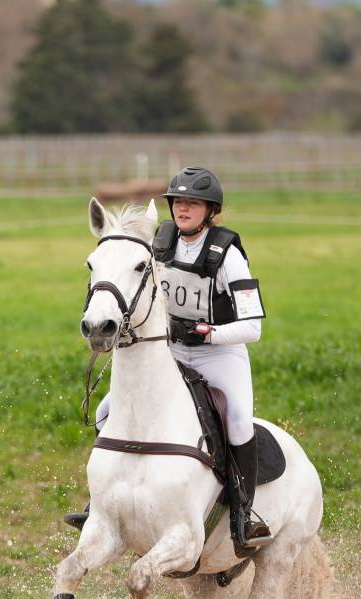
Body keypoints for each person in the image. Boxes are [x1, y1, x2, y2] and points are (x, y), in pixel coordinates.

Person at [66, 166, 271, 552]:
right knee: (107, 411)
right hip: (170, 350)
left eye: (193, 203)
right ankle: (102, 504)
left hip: (220, 354)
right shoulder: (159, 244)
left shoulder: (228, 255)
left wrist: (210, 333)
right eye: (177, 202)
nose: (182, 209)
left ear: (210, 210)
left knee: (239, 420)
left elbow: (253, 328)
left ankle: (244, 514)